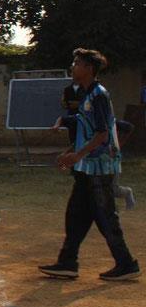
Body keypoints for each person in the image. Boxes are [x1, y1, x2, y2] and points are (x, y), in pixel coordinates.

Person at [39, 48, 140, 281]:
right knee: (76, 214)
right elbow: (85, 127)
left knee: (106, 216)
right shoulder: (86, 94)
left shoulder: (99, 95)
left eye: (77, 63)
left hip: (99, 167)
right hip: (87, 166)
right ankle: (67, 262)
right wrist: (70, 152)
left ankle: (126, 264)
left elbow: (102, 134)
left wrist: (76, 156)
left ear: (89, 68)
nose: (73, 67)